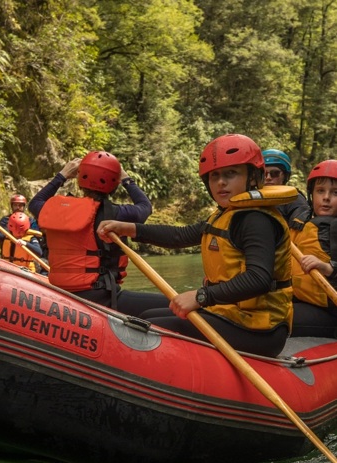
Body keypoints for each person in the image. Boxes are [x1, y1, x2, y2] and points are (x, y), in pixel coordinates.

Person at [98, 134, 297, 357]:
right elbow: (180, 236)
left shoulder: (256, 220)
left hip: (261, 329)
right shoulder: (227, 215)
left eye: (231, 173)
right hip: (231, 314)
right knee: (147, 314)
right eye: (214, 176)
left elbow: (258, 279)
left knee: (151, 323)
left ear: (252, 177)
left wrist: (201, 296)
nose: (221, 182)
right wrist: (131, 229)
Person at [29, 151, 153, 309]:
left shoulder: (56, 210)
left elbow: (35, 203)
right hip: (100, 297)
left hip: (62, 291)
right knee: (169, 304)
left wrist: (62, 175)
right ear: (114, 184)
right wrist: (127, 180)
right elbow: (145, 207)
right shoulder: (115, 214)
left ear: (80, 181)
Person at [290, 159, 337, 337]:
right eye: (320, 191)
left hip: (330, 312)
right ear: (311, 195)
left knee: (276, 318)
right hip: (300, 299)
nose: (326, 197)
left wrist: (328, 268)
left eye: (335, 192)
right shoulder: (301, 219)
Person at [262, 148, 310, 230]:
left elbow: (302, 213)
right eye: (264, 174)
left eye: (274, 173)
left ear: (285, 176)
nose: (268, 178)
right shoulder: (248, 198)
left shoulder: (294, 198)